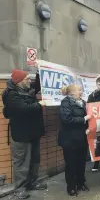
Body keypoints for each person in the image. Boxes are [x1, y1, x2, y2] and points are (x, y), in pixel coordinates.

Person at [2, 69, 47, 199]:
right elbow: (23, 109)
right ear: (19, 81)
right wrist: (39, 104)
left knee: (34, 160)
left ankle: (32, 182)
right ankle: (20, 189)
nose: (30, 81)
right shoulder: (11, 95)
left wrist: (41, 69)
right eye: (27, 79)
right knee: (21, 163)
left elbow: (38, 84)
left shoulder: (27, 88)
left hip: (33, 132)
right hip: (21, 135)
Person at [59, 84, 90, 196]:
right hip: (69, 140)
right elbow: (67, 119)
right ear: (72, 93)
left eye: (81, 90)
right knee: (71, 164)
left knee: (81, 163)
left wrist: (87, 127)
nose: (81, 92)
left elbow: (89, 119)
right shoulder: (66, 103)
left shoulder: (83, 102)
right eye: (79, 90)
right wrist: (83, 119)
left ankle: (81, 183)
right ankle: (71, 187)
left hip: (81, 138)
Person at [88, 76, 100, 172]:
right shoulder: (92, 95)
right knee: (96, 143)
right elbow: (89, 108)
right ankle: (96, 163)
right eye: (99, 84)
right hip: (95, 121)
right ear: (96, 84)